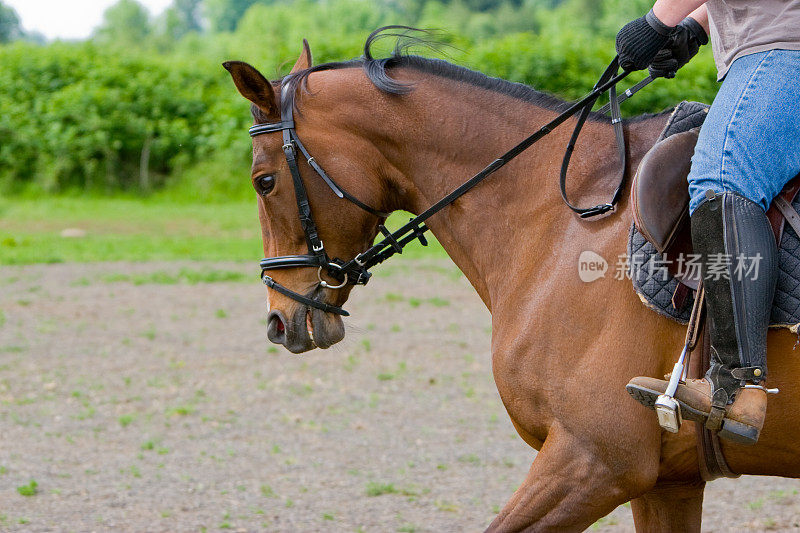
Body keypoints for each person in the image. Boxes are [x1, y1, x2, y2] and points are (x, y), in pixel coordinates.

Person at [617, 0, 800, 445]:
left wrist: (657, 21)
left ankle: (737, 386)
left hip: (783, 47)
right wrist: (695, 28)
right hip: (766, 42)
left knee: (720, 178)